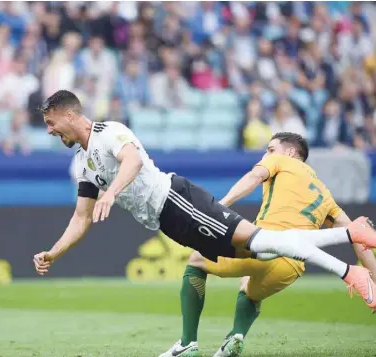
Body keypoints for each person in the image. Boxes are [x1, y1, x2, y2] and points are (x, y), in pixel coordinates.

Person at [32, 90, 376, 314]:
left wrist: (111, 192)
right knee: (264, 249)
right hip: (167, 218)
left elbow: (132, 160)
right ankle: (353, 237)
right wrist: (54, 251)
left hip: (176, 200)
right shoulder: (83, 163)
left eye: (51, 122)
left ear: (69, 115)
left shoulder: (110, 132)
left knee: (258, 243)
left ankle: (349, 263)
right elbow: (81, 217)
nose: (49, 130)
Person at [159, 133, 376, 357]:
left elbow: (253, 177)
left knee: (197, 260)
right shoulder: (325, 194)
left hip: (267, 246)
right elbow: (359, 238)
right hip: (291, 268)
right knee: (249, 290)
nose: (266, 155)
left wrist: (219, 207)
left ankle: (187, 343)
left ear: (291, 152)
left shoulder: (281, 161)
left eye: (271, 149)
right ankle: (236, 336)